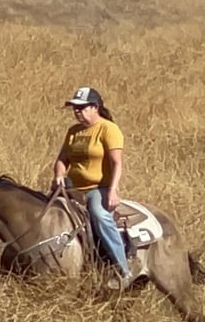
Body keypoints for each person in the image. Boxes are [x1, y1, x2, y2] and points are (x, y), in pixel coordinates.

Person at [51, 87, 140, 290]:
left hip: (97, 188)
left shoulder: (108, 129)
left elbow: (117, 162)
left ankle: (123, 269)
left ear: (95, 107)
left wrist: (113, 190)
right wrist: (59, 175)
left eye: (82, 108)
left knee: (100, 215)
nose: (77, 112)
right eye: (75, 108)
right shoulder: (73, 132)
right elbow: (62, 159)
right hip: (72, 189)